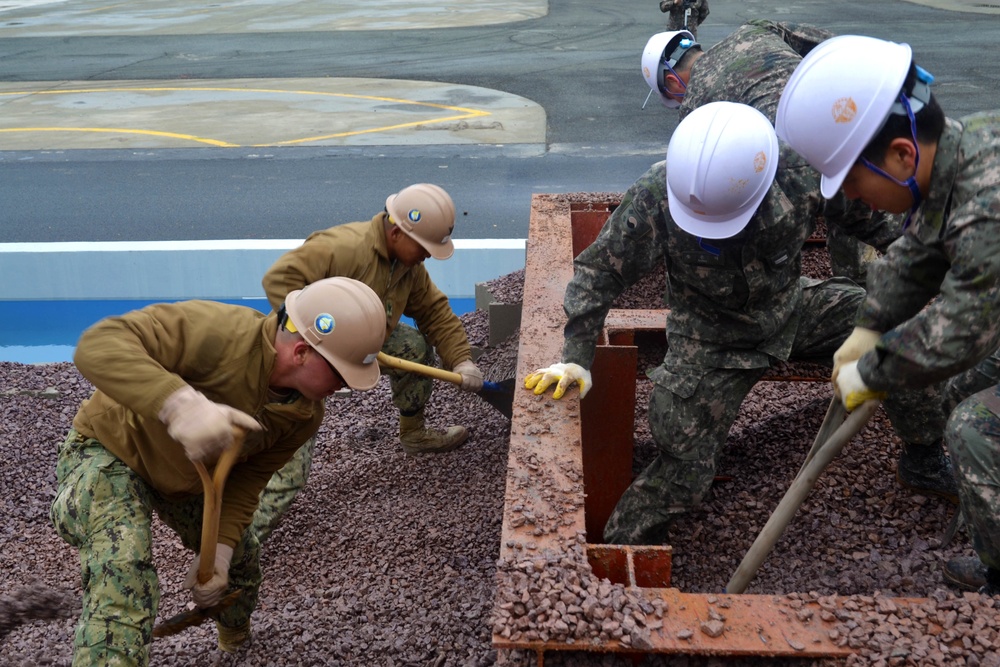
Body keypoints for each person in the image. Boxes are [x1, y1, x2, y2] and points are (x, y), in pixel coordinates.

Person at [525, 96, 954, 548]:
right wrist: (575, 359)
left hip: (792, 310)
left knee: (901, 334)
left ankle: (923, 457)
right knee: (681, 465)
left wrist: (951, 266)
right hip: (709, 337)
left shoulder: (802, 175)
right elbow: (598, 273)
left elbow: (885, 226)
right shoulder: (656, 195)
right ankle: (619, 553)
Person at [50, 277, 388, 665]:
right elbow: (98, 345)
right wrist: (178, 404)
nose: (345, 387)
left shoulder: (303, 415)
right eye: (341, 375)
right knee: (124, 573)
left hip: (186, 480)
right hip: (112, 452)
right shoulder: (216, 331)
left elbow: (248, 482)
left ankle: (235, 641)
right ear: (301, 353)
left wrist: (222, 553)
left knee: (242, 562)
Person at [776, 34, 1000, 596]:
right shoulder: (960, 150)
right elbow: (918, 255)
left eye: (853, 179)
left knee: (974, 429)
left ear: (901, 153)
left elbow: (964, 326)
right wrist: (868, 327)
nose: (852, 199)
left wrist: (872, 371)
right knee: (956, 392)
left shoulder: (987, 202)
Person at [252, 183, 484, 542]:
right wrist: (317, 338)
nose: (427, 257)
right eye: (425, 249)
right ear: (396, 232)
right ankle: (235, 551)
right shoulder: (342, 249)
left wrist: (463, 361)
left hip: (363, 343)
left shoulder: (406, 265)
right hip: (308, 358)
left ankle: (414, 433)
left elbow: (435, 312)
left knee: (415, 346)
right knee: (290, 465)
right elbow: (278, 280)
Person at [640, 21, 889, 286]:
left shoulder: (694, 109)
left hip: (804, 162)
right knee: (880, 222)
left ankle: (862, 295)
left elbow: (706, 184)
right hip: (857, 113)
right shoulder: (755, 30)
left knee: (829, 201)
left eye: (672, 96)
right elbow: (831, 45)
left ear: (672, 81)